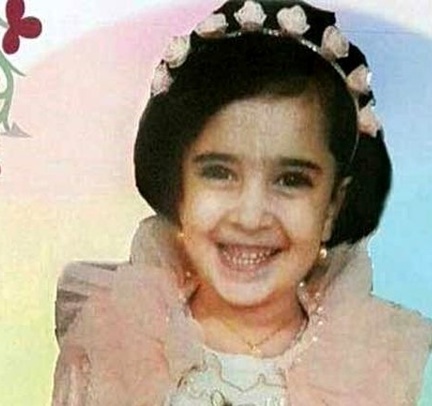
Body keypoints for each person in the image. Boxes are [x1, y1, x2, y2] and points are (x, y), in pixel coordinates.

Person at [51, 0, 432, 404]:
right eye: (219, 172)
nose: (250, 217)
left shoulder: (377, 366)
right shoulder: (115, 343)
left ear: (332, 206)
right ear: (178, 187)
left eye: (291, 180)